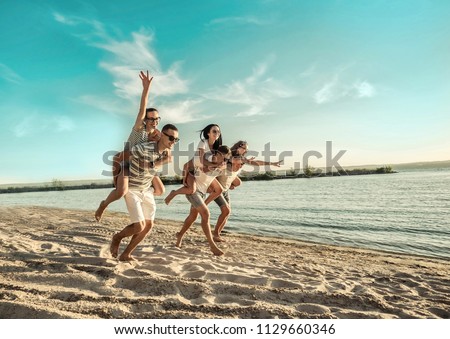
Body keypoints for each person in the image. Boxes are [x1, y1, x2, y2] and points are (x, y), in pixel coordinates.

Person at [95, 70, 164, 221]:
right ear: (145, 120)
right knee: (120, 192)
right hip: (127, 164)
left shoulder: (158, 134)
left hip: (144, 167)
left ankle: (141, 194)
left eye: (157, 118)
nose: (154, 121)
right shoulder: (139, 129)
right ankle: (103, 205)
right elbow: (141, 109)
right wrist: (146, 89)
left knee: (160, 190)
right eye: (151, 118)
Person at [110, 124, 179, 261]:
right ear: (161, 135)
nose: (173, 142)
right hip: (133, 188)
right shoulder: (144, 148)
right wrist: (116, 180)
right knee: (139, 226)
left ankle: (126, 254)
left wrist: (155, 164)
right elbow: (118, 157)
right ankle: (117, 237)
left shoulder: (166, 152)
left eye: (176, 139)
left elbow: (165, 157)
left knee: (148, 226)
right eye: (171, 138)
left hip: (146, 188)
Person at [204, 140, 282, 242]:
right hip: (218, 188)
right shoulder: (228, 155)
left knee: (227, 213)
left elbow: (256, 163)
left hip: (225, 188)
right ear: (238, 146)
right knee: (226, 210)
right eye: (244, 148)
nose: (245, 150)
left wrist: (272, 163)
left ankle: (217, 234)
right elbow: (214, 160)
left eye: (247, 149)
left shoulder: (242, 159)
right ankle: (216, 234)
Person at [175, 145, 232, 256]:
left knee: (193, 216)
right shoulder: (207, 159)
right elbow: (194, 167)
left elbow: (213, 178)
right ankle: (212, 245)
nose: (225, 160)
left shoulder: (223, 165)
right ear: (217, 154)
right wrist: (184, 180)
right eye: (224, 157)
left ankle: (180, 235)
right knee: (205, 214)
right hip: (195, 189)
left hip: (203, 191)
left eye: (226, 159)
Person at [164, 124, 223, 205]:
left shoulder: (217, 148)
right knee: (191, 190)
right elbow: (201, 160)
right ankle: (174, 193)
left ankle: (204, 204)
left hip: (201, 173)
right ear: (208, 133)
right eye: (214, 131)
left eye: (218, 132)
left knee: (219, 190)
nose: (217, 133)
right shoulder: (203, 142)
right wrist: (184, 179)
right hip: (191, 171)